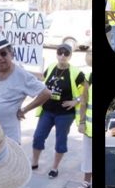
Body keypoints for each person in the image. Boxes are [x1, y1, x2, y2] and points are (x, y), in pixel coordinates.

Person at [0, 37, 50, 144]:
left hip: (9, 135)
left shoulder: (22, 75)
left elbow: (46, 93)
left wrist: (25, 109)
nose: (0, 58)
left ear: (11, 54)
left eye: (3, 54)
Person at [31, 43, 85, 178]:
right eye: (60, 52)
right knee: (38, 137)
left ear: (70, 56)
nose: (62, 56)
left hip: (65, 114)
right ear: (56, 53)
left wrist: (76, 101)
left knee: (60, 141)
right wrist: (25, 71)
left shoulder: (76, 72)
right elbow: (42, 77)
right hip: (47, 110)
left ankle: (54, 168)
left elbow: (86, 89)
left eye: (66, 53)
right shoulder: (51, 67)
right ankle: (34, 162)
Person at [77, 52, 92, 188]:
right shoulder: (90, 77)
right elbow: (83, 101)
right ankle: (86, 181)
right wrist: (81, 122)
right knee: (88, 156)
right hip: (89, 128)